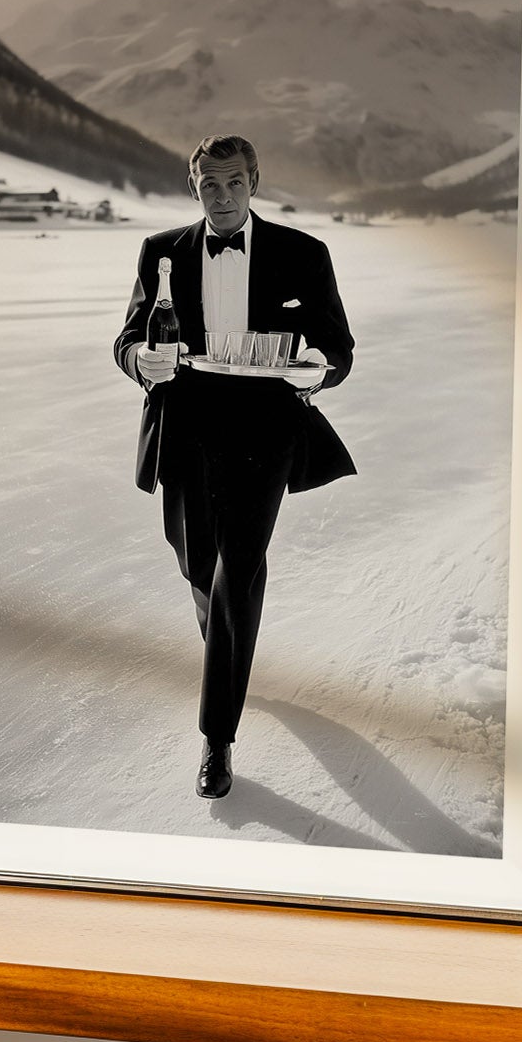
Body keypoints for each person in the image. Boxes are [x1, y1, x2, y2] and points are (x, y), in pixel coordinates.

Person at [113, 134, 356, 799]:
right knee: (196, 561)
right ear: (194, 186)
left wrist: (319, 369)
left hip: (265, 434)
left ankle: (216, 737)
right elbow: (128, 337)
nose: (221, 198)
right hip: (185, 430)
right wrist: (141, 361)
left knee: (236, 573)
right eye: (208, 185)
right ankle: (222, 629)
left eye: (234, 184)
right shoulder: (160, 251)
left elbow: (337, 346)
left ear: (255, 181)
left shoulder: (305, 254)